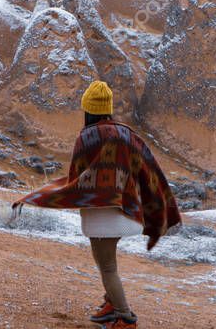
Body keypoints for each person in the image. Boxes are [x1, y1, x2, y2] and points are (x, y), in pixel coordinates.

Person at [13, 81, 182, 329]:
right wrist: (155, 204)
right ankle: (111, 304)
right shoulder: (127, 134)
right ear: (108, 109)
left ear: (88, 110)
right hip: (126, 212)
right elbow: (148, 169)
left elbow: (76, 179)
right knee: (104, 260)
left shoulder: (87, 137)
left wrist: (40, 194)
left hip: (101, 216)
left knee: (107, 266)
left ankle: (125, 318)